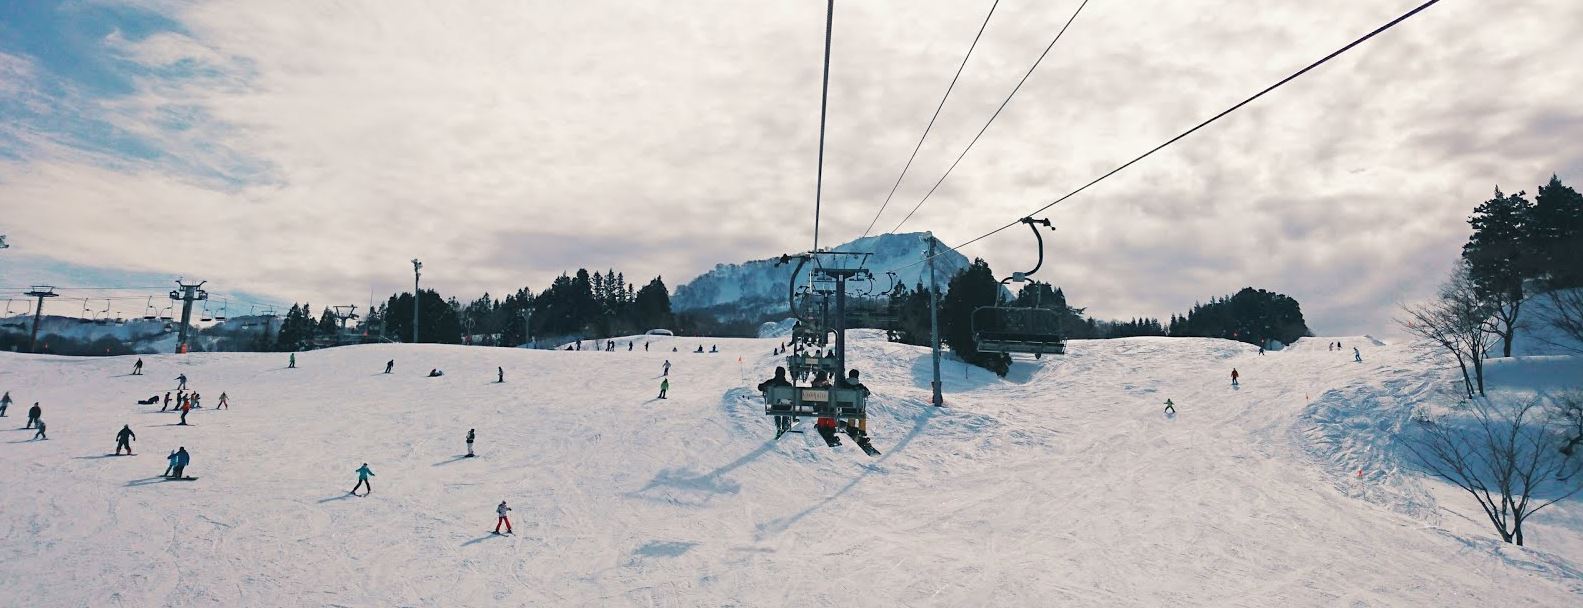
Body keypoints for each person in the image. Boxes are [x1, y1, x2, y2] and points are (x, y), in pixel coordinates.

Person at [758, 367, 794, 436]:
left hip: (775, 406)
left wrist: (764, 387)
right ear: (784, 374)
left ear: (775, 373)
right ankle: (785, 424)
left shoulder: (771, 382)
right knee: (786, 406)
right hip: (786, 407)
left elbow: (760, 387)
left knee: (776, 407)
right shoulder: (788, 385)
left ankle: (778, 427)